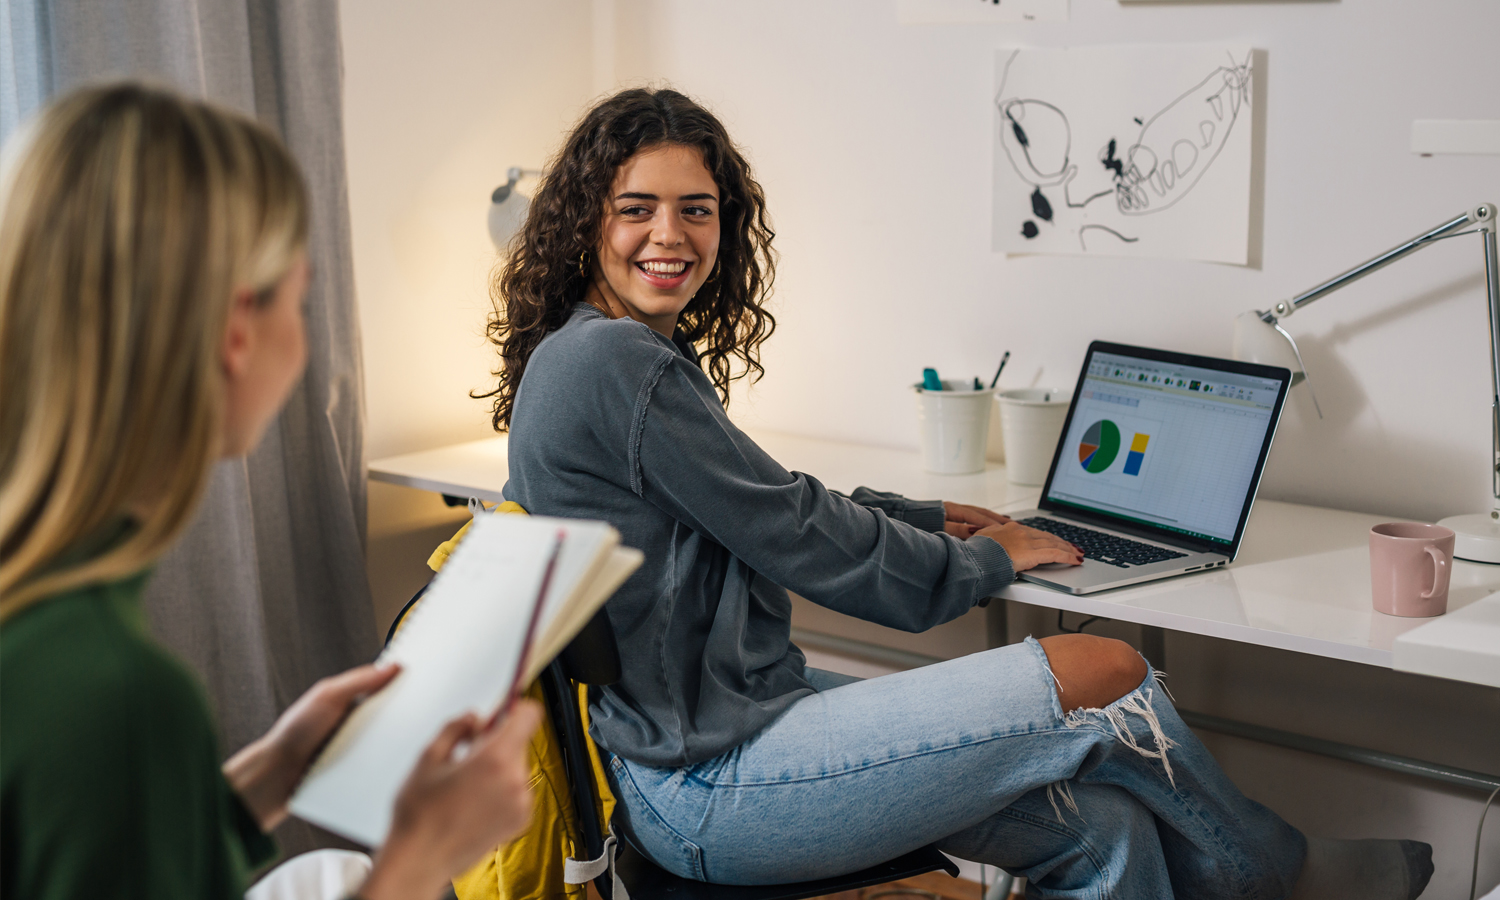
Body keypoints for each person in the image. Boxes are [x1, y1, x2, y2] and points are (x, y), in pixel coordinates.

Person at [479, 87, 1435, 900]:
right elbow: (794, 532)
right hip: (707, 781)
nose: (670, 235)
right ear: (586, 218)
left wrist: (927, 516)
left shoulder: (598, 352)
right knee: (1102, 668)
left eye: (696, 209)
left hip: (721, 729)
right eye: (637, 207)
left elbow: (758, 498)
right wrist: (981, 561)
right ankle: (1278, 872)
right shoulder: (617, 363)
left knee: (1106, 829)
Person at [0, 83, 542, 900]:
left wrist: (268, 775)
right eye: (303, 293)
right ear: (234, 332)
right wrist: (423, 857)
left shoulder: (50, 621)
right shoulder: (113, 693)